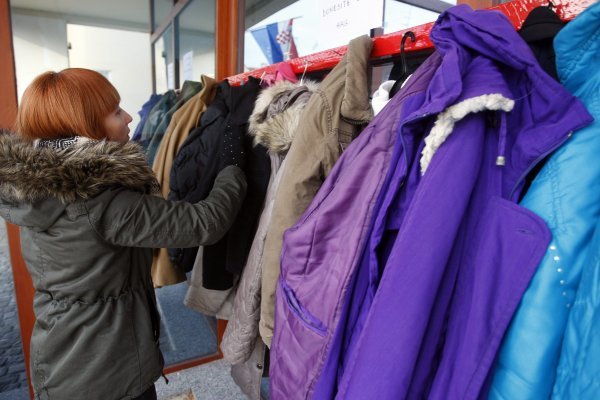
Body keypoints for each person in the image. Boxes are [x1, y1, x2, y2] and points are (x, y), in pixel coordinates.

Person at [0, 68, 247, 400]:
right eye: (116, 111)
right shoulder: (101, 202)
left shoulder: (38, 187)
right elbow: (206, 222)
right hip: (107, 373)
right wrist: (233, 165)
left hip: (61, 359)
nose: (130, 116)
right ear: (85, 125)